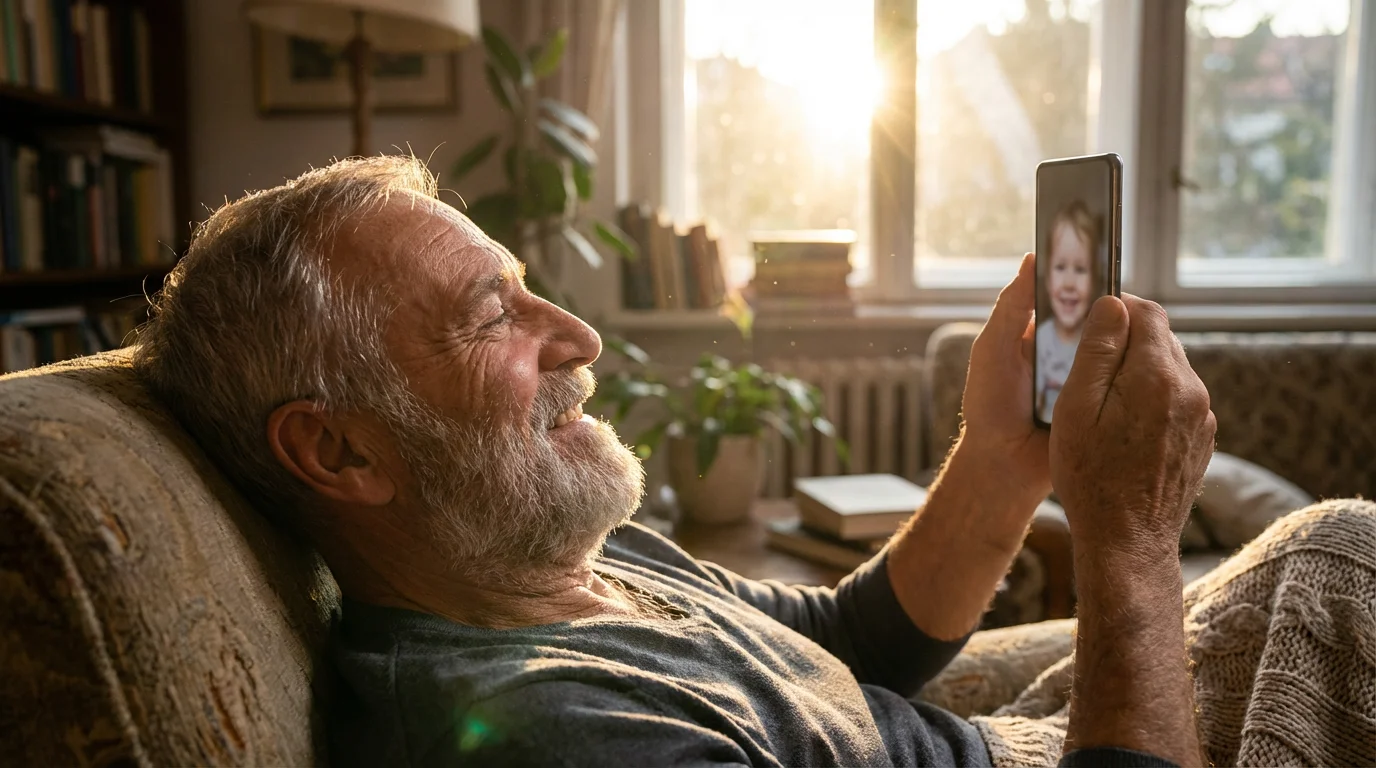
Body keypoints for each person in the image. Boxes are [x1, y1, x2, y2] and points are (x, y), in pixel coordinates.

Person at [132, 157, 1375, 767]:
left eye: (531, 294)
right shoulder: (552, 731)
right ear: (339, 448)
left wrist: (1003, 464)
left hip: (1020, 737)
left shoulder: (551, 546)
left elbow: (847, 645)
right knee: (1345, 559)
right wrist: (1132, 544)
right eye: (491, 319)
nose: (579, 338)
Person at [1036, 200, 1103, 424]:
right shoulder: (1039, 340)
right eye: (1060, 267)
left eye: (1080, 269)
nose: (1068, 283)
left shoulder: (1098, 343)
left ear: (1094, 280)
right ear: (1047, 278)